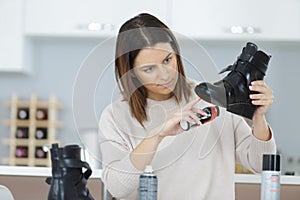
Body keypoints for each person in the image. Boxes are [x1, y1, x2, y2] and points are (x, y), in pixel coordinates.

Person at [98, 13, 276, 200]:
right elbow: (118, 189)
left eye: (168, 60)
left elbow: (260, 165)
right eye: (149, 69)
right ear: (131, 73)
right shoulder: (116, 116)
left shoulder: (212, 98)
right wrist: (157, 135)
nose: (165, 75)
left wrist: (258, 118)